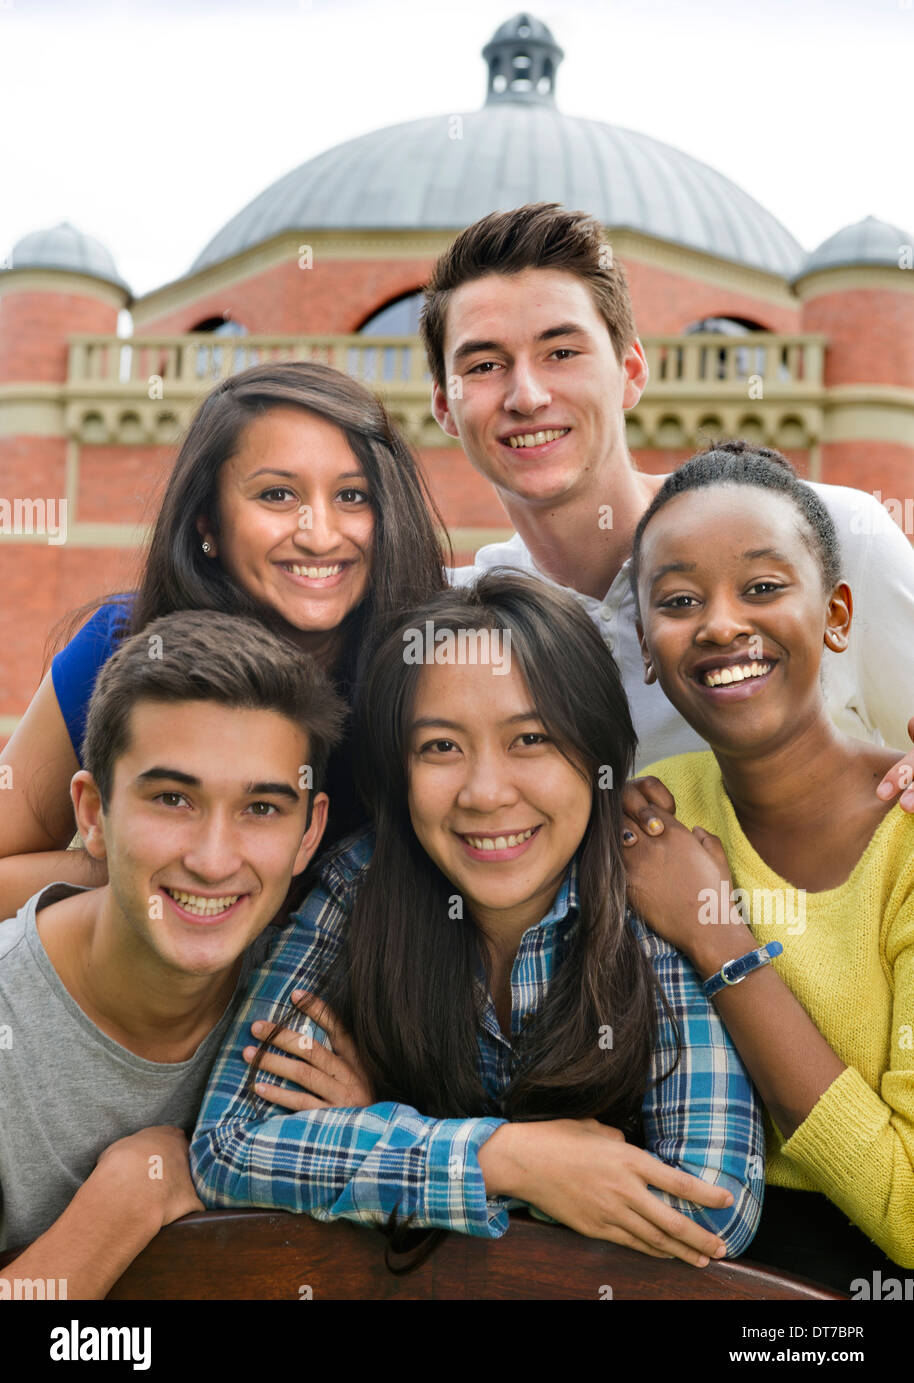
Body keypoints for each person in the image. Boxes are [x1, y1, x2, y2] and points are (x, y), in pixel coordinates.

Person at [192, 571, 763, 1265]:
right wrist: (510, 1159)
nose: (487, 793)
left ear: (598, 753)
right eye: (441, 748)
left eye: (531, 740)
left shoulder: (650, 892)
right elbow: (228, 1148)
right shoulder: (362, 882)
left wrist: (382, 1134)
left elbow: (709, 1206)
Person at [422, 201, 914, 799]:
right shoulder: (450, 619)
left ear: (630, 371)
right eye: (484, 364)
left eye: (561, 352)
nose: (526, 395)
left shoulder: (836, 538)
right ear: (445, 406)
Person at [0, 360, 450, 918]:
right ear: (207, 524)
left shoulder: (434, 669)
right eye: (278, 495)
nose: (320, 535)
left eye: (353, 497)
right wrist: (150, 858)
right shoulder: (118, 643)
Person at [622, 443, 914, 1290]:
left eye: (762, 587)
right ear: (646, 645)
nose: (720, 624)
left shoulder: (904, 838)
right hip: (679, 1267)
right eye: (679, 601)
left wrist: (719, 940)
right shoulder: (645, 819)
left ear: (835, 615)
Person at [0, 609, 345, 1298]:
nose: (214, 861)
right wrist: (128, 1196)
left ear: (311, 834)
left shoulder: (319, 1002)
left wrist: (364, 1121)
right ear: (93, 813)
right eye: (173, 799)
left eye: (262, 809)